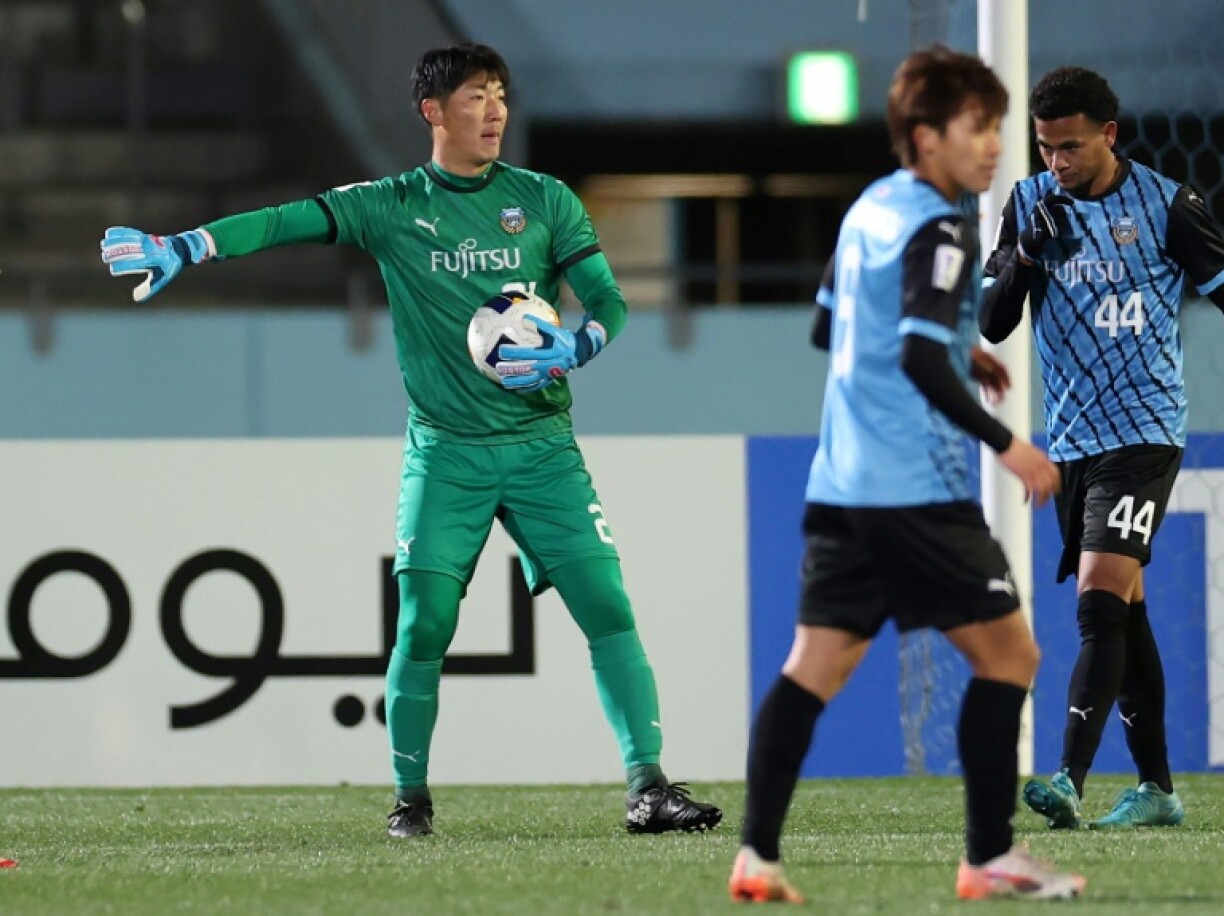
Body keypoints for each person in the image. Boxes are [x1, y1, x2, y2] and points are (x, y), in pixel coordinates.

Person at [100, 42, 722, 839]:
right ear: (432, 111)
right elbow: (287, 220)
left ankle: (648, 787)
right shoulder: (392, 205)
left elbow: (605, 297)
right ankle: (411, 800)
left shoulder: (543, 199)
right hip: (447, 452)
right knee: (424, 621)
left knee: (607, 604)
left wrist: (580, 342)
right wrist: (188, 245)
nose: (494, 111)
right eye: (475, 97)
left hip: (542, 447)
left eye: (500, 95)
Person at [727, 46, 1086, 904]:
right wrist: (1007, 443)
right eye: (977, 128)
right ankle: (989, 856)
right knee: (1011, 654)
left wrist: (955, 340)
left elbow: (831, 328)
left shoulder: (868, 212)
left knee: (810, 668)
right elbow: (920, 360)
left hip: (841, 483)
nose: (994, 146)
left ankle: (757, 857)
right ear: (925, 137)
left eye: (998, 128)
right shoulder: (944, 223)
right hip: (914, 491)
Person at [981, 66, 1224, 831]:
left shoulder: (1167, 204)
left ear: (1109, 135)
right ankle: (1157, 790)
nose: (1058, 161)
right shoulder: (1027, 205)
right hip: (1077, 438)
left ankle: (1069, 778)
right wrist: (1023, 258)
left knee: (1095, 601)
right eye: (1046, 147)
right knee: (1126, 614)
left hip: (1146, 430)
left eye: (1072, 147)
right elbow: (991, 324)